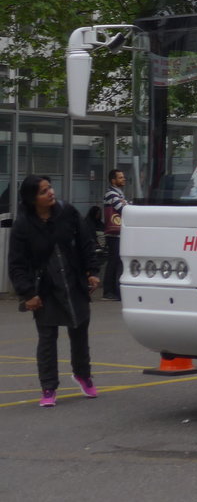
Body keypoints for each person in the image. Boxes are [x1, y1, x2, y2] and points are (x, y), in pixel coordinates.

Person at [7, 174, 101, 407]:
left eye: (50, 188)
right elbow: (16, 264)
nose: (50, 193)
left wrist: (92, 270)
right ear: (31, 199)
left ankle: (83, 374)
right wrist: (28, 293)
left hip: (73, 283)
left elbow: (86, 241)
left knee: (79, 331)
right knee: (47, 338)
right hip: (45, 289)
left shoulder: (67, 213)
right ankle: (48, 387)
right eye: (43, 191)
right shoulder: (23, 225)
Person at [102, 168, 128, 300]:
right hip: (114, 235)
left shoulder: (118, 195)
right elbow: (124, 210)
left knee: (115, 261)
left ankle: (111, 291)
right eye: (120, 177)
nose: (123, 179)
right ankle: (109, 291)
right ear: (113, 180)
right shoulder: (112, 194)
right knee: (114, 262)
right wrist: (127, 205)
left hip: (117, 234)